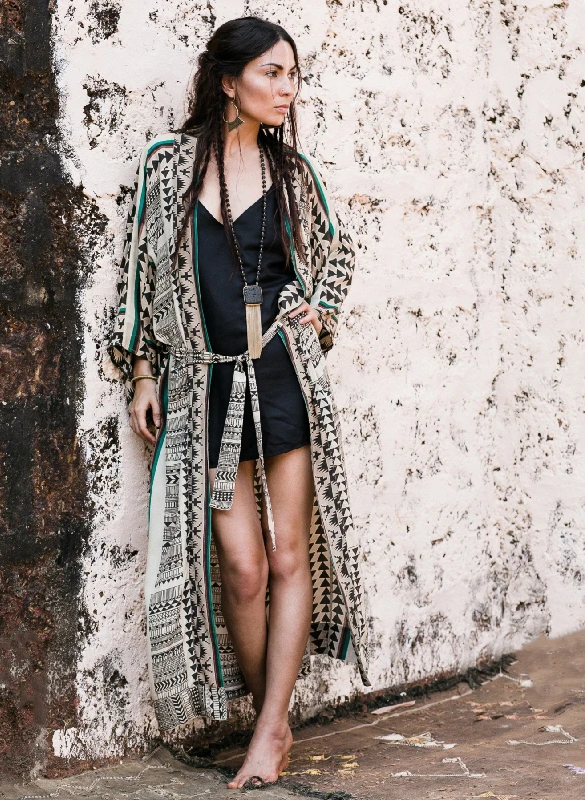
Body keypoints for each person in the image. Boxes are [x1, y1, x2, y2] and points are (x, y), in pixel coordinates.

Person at [107, 16, 371, 790]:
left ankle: (268, 732)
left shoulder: (293, 172)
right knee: (245, 570)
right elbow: (142, 273)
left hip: (284, 379)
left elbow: (339, 250)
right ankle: (272, 716)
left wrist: (319, 309)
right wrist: (144, 372)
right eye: (271, 74)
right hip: (206, 386)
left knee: (289, 557)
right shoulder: (170, 165)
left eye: (293, 75)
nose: (287, 90)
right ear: (229, 82)